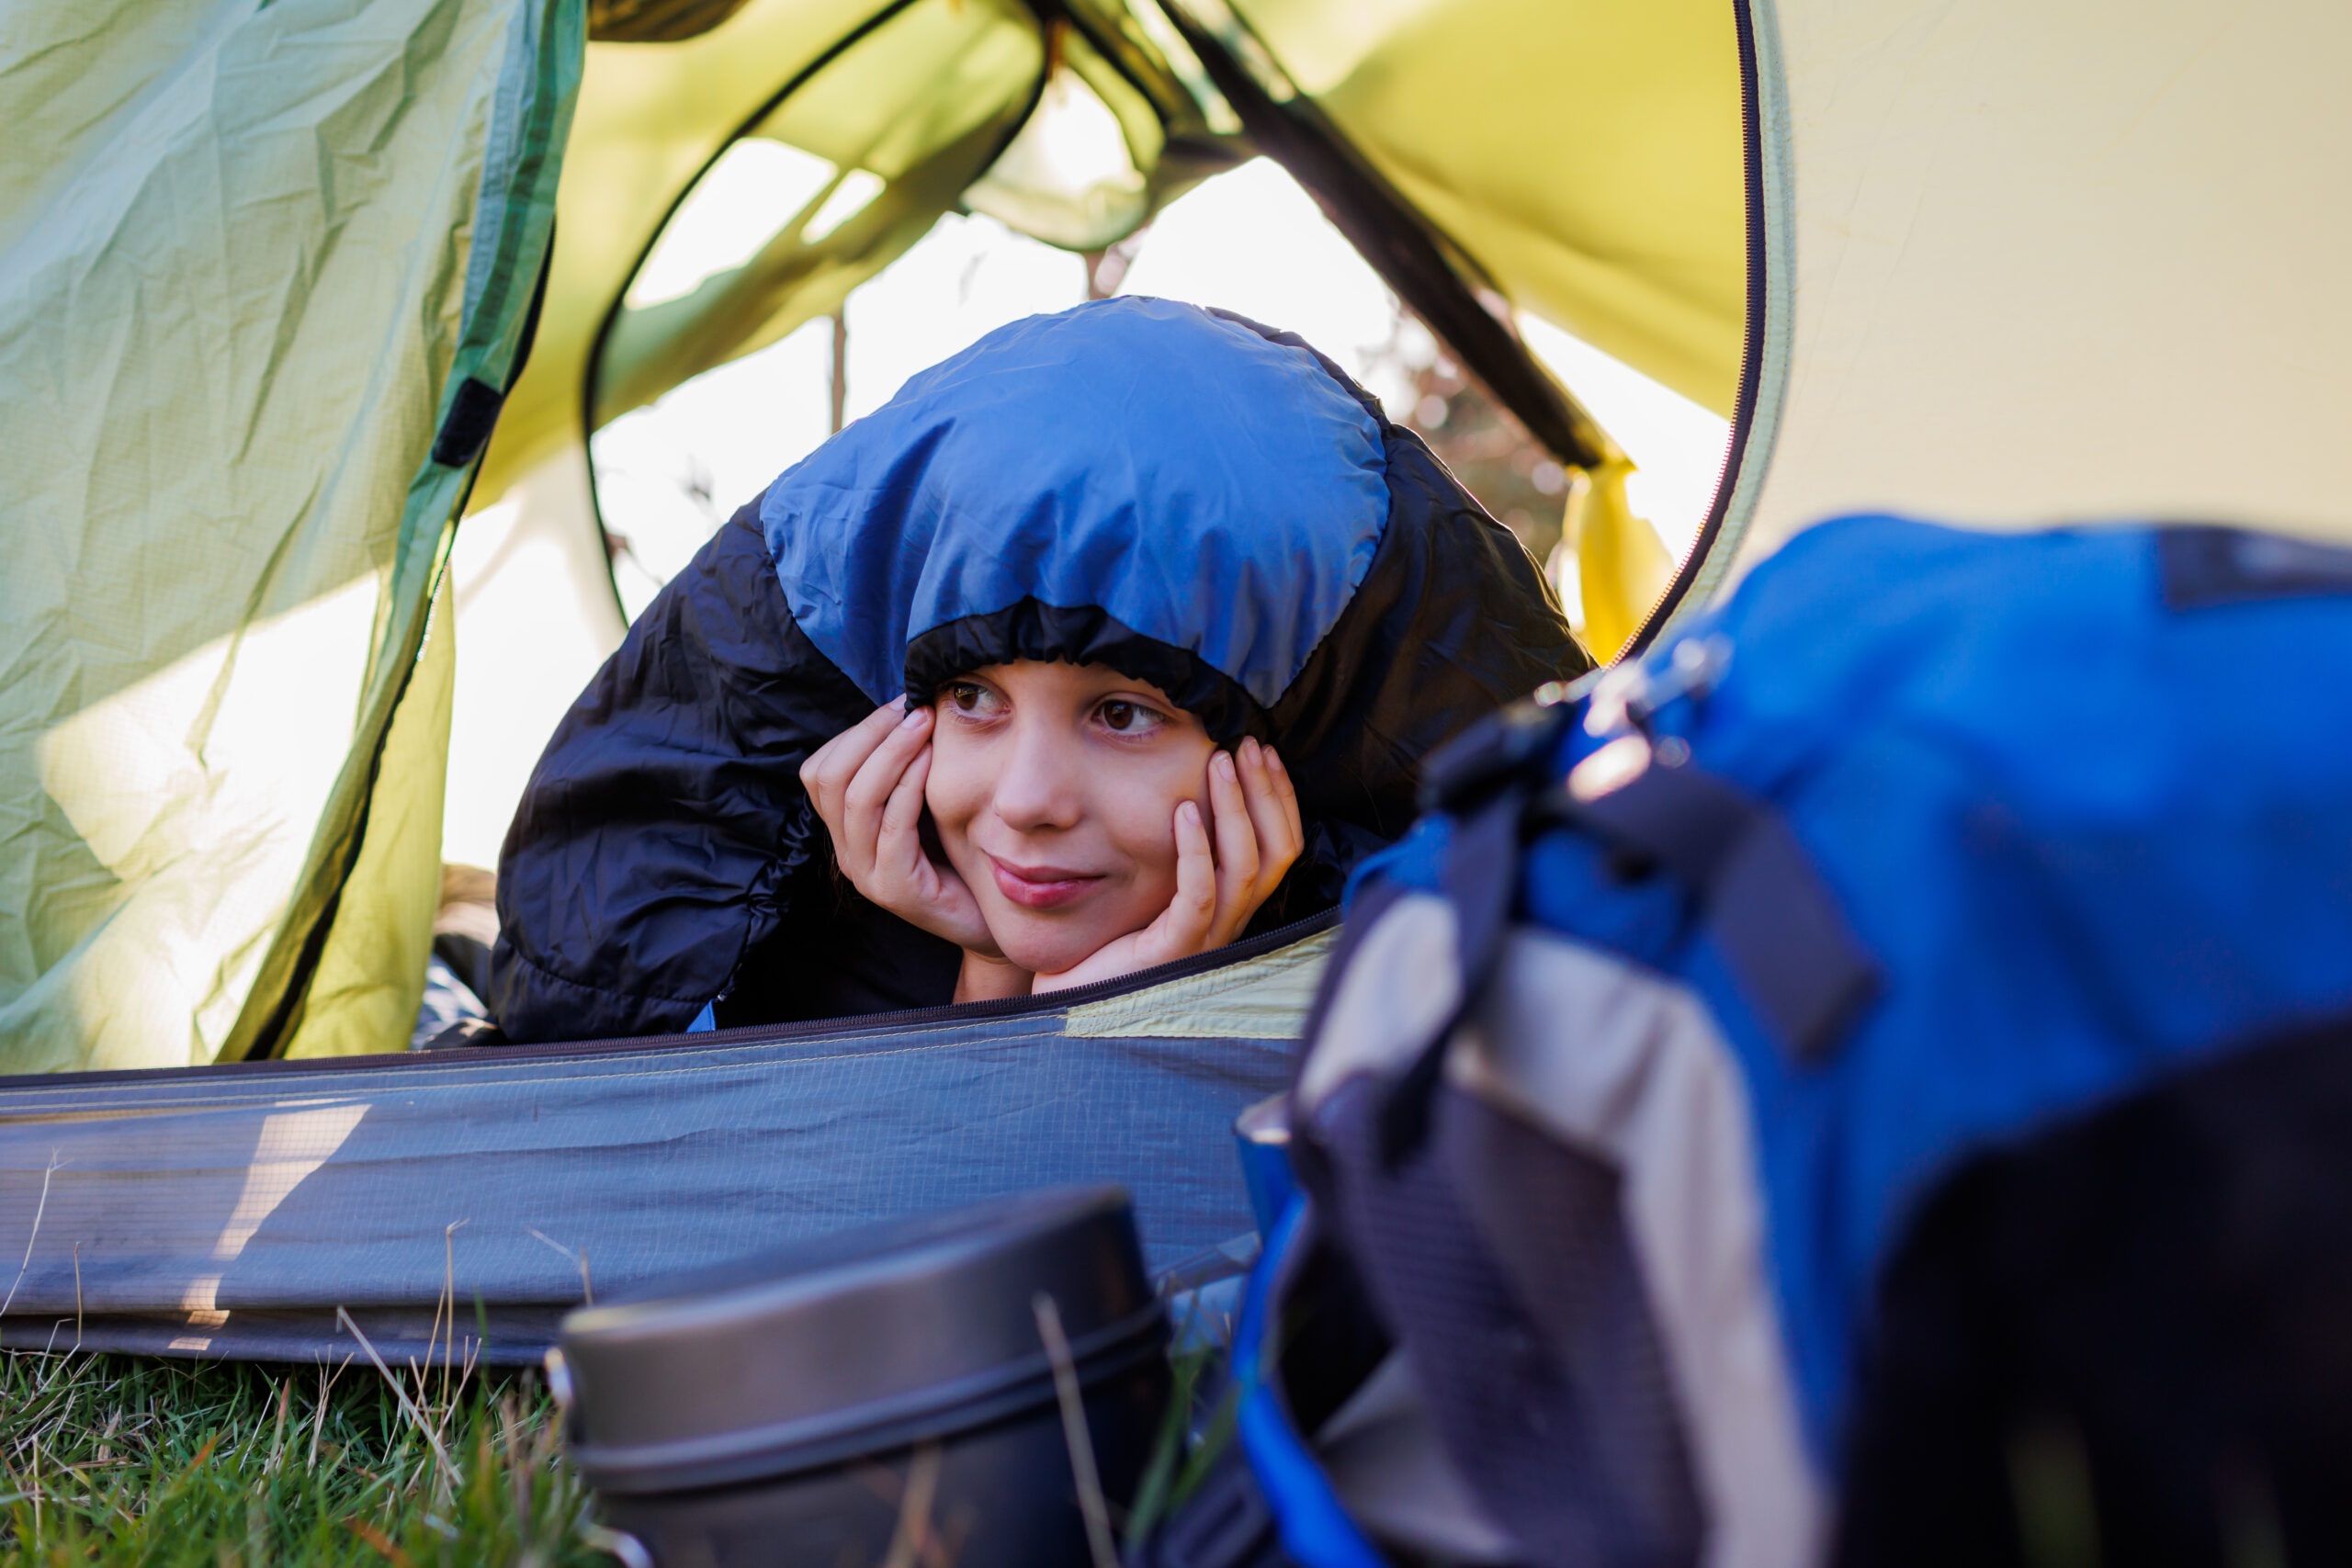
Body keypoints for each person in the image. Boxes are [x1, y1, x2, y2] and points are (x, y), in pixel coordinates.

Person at [488, 298, 1590, 1042]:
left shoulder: (1420, 1019)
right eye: (971, 700)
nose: (1023, 803)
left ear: (1285, 744)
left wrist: (1136, 1013)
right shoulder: (817, 961)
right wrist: (995, 987)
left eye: (1121, 714)